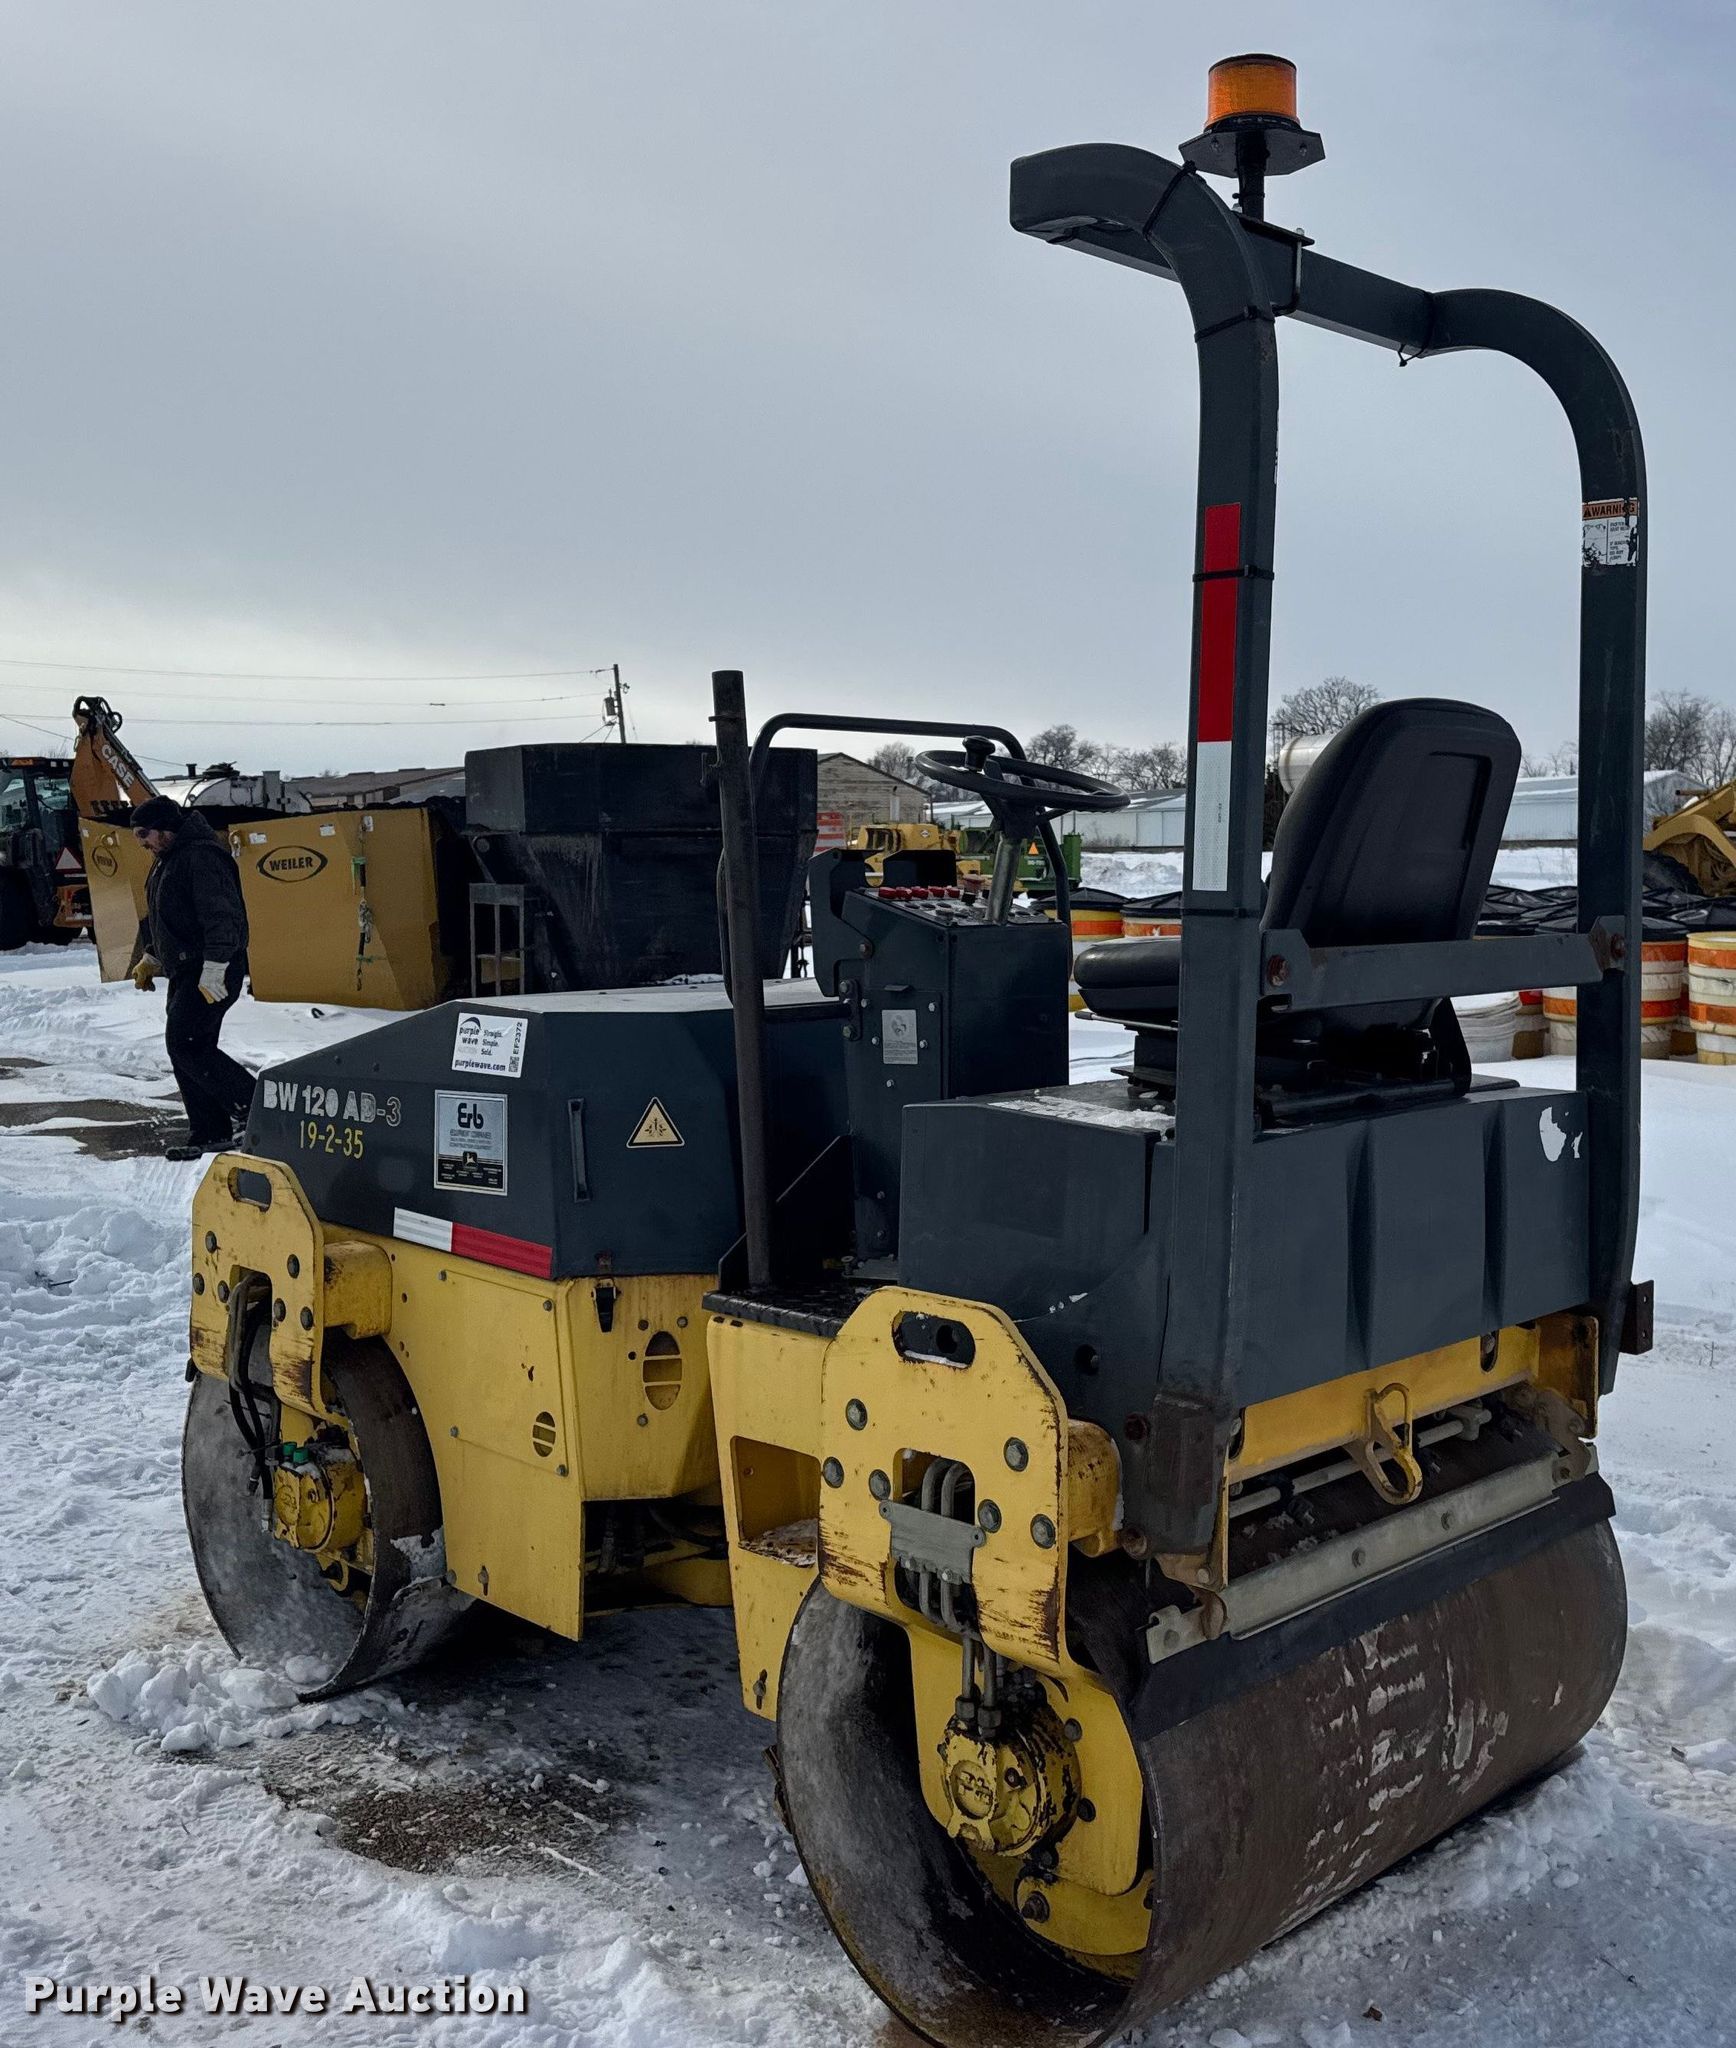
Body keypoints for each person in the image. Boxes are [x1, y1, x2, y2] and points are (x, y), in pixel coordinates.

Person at [130, 796, 254, 1160]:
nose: (142, 843)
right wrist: (152, 956)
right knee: (186, 1047)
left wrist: (216, 966)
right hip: (187, 971)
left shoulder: (202, 857)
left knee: (185, 1043)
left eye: (144, 834)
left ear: (166, 828)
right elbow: (169, 917)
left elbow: (222, 918)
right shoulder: (168, 860)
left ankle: (254, 1106)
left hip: (212, 969)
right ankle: (210, 1131)